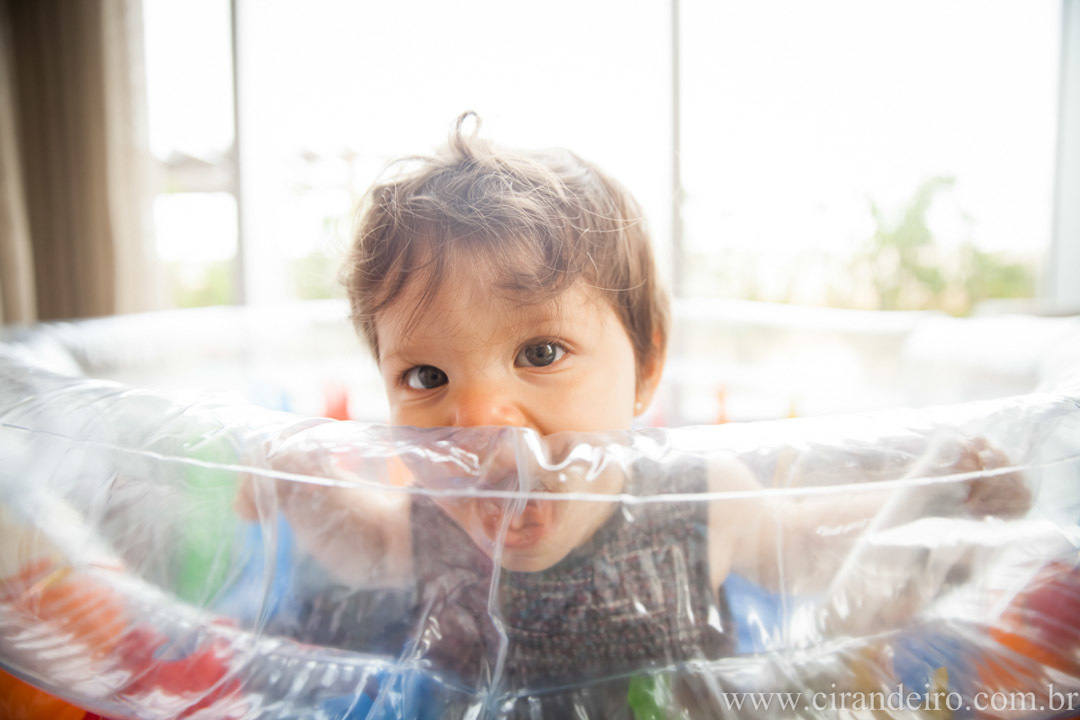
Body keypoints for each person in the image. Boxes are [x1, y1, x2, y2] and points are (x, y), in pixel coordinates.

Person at [235, 113, 1028, 702]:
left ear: (646, 366)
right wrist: (297, 485)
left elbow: (803, 546)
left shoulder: (696, 499)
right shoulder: (431, 518)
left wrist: (934, 493)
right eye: (426, 376)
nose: (478, 422)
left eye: (540, 354)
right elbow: (367, 547)